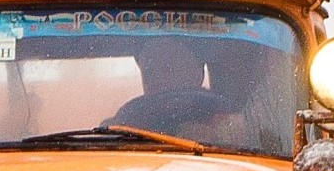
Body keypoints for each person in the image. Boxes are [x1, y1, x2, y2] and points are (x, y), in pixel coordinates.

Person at [106, 38, 248, 146]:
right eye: (149, 72)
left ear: (197, 73)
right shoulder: (130, 119)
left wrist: (212, 136)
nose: (157, 79)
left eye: (168, 69)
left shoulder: (226, 117)